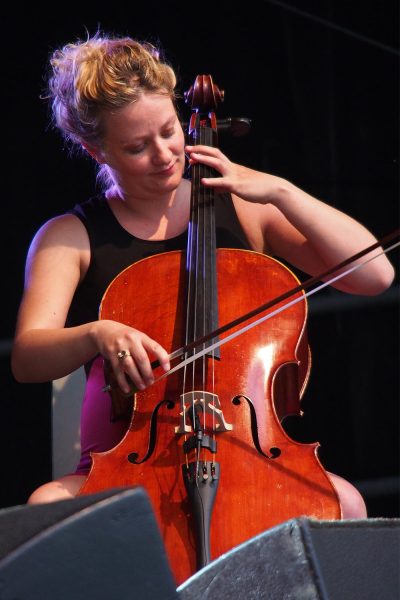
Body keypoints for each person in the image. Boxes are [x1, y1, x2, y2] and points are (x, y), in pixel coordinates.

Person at [11, 33, 394, 517]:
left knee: (345, 503)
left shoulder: (241, 201)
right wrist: (96, 333)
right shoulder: (69, 236)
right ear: (97, 151)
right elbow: (28, 357)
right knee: (45, 508)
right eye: (137, 147)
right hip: (128, 464)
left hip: (245, 453)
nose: (166, 154)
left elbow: (374, 275)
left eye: (169, 130)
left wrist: (281, 191)